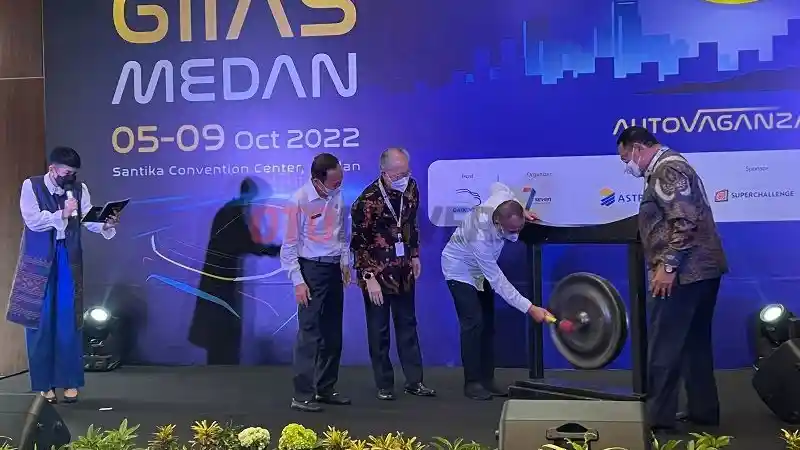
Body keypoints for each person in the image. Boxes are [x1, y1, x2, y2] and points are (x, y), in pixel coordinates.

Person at [616, 126, 727, 432]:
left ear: (638, 148)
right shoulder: (671, 167)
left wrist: (668, 267)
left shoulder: (667, 170)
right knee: (694, 345)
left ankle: (659, 420)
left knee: (664, 347)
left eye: (625, 157)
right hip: (701, 272)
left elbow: (685, 221)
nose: (627, 165)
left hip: (684, 274)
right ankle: (703, 411)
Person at [6, 147, 119, 404]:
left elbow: (87, 217)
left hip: (68, 256)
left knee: (69, 320)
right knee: (40, 321)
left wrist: (105, 224)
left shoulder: (79, 189)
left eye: (74, 173)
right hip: (39, 261)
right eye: (67, 172)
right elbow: (33, 220)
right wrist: (62, 214)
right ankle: (44, 384)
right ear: (53, 169)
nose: (71, 177)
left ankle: (69, 380)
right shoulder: (32, 186)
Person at [442, 182, 553, 400]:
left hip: (481, 271)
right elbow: (498, 281)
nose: (516, 235)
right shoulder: (479, 235)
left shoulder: (500, 199)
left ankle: (487, 379)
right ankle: (472, 383)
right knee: (473, 323)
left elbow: (497, 185)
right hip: (460, 269)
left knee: (488, 323)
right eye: (511, 231)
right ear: (497, 223)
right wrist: (530, 308)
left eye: (519, 228)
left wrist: (522, 208)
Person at [350, 147, 435, 400]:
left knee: (408, 325)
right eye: (398, 174)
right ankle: (384, 384)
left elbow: (411, 224)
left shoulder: (412, 188)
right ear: (384, 173)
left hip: (403, 270)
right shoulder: (367, 201)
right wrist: (369, 277)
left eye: (406, 172)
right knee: (379, 331)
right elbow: (358, 243)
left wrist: (415, 254)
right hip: (376, 274)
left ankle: (415, 381)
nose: (404, 178)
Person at [281, 153, 351, 412]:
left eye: (340, 181)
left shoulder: (338, 196)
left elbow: (341, 233)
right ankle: (301, 396)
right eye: (334, 183)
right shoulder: (298, 200)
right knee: (309, 333)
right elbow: (289, 245)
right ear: (317, 181)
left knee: (333, 333)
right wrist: (298, 281)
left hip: (334, 268)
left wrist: (345, 262)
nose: (338, 187)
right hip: (310, 269)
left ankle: (325, 388)